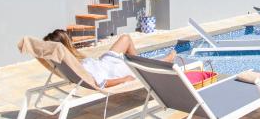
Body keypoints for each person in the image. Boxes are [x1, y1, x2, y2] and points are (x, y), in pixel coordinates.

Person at [44, 29, 176, 88]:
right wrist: (124, 79)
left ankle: (137, 61)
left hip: (105, 62)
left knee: (126, 38)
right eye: (69, 41)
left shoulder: (67, 64)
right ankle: (164, 61)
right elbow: (102, 83)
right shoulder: (80, 67)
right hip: (113, 70)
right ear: (67, 45)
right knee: (139, 67)